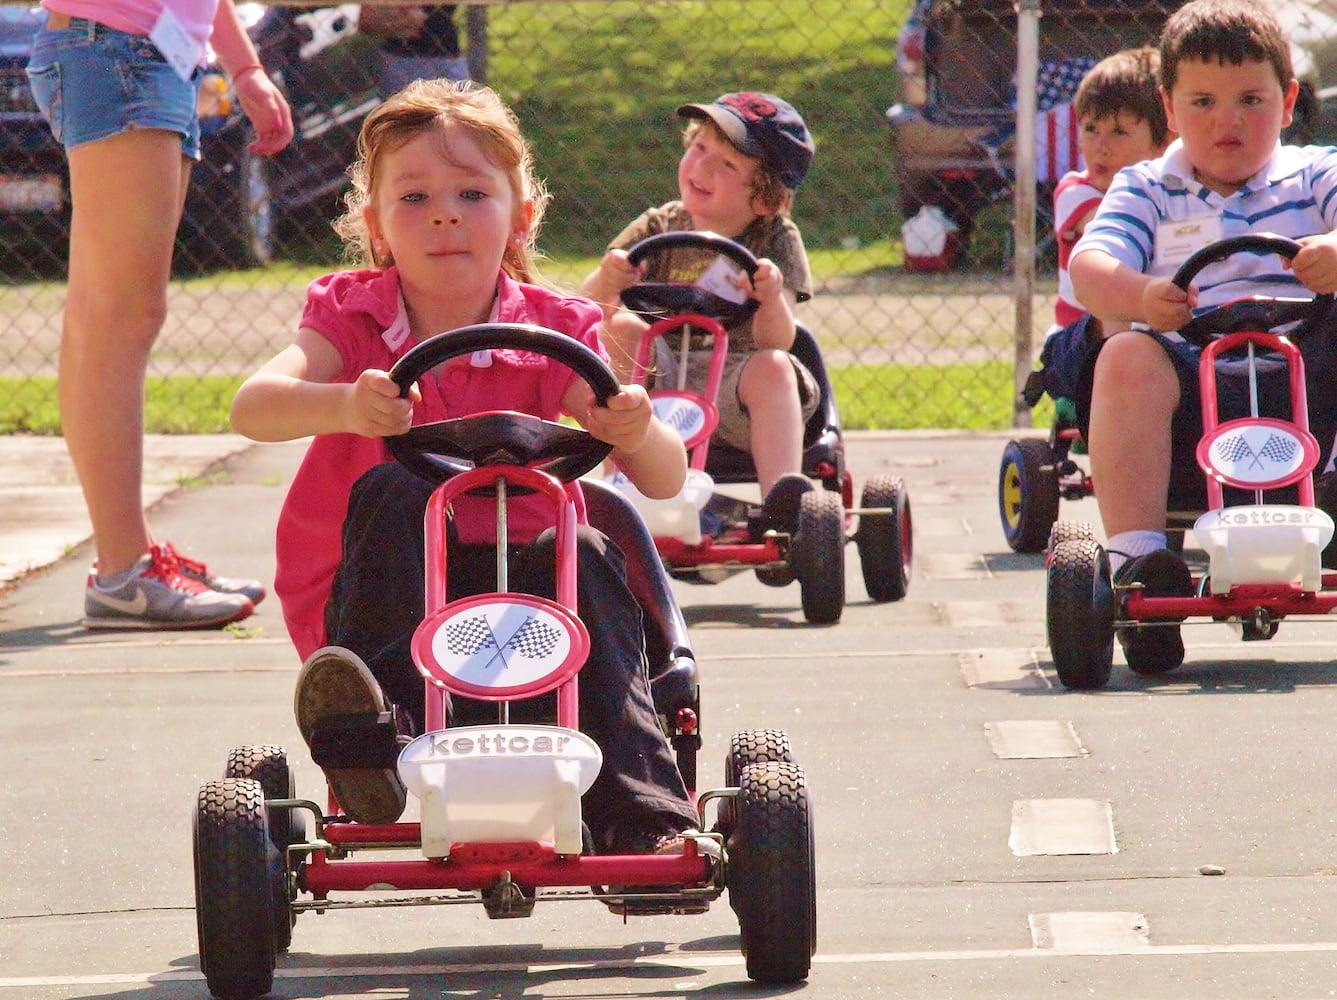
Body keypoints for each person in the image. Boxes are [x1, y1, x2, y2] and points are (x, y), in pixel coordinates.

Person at [230, 80, 700, 853]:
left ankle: (643, 810)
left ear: (520, 218)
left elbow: (663, 478)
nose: (443, 213)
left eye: (471, 192)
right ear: (377, 228)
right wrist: (346, 405)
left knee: (586, 546)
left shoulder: (559, 328)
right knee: (396, 484)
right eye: (413, 197)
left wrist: (633, 425)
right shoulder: (350, 317)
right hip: (373, 586)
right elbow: (254, 404)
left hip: (529, 587)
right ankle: (372, 740)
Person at [1068, 0, 1337, 670]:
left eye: (1251, 98)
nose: (1229, 120)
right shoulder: (1146, 188)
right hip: (1193, 379)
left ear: (1287, 101)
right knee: (1126, 352)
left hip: (1315, 374)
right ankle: (1137, 565)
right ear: (1167, 107)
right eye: (1203, 101)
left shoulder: (1314, 174)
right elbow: (1087, 268)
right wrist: (1138, 296)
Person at [25, 0, 293, 630]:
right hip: (116, 52)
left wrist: (245, 69)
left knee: (104, 318)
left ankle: (130, 560)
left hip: (148, 57)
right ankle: (124, 571)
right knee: (120, 317)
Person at [580, 92, 819, 537]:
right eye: (699, 148)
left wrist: (769, 296)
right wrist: (609, 280)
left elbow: (776, 340)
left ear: (764, 199)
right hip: (657, 384)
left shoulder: (775, 239)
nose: (702, 168)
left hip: (736, 386)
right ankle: (616, 486)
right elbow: (584, 314)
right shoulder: (657, 226)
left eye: (727, 165)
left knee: (773, 366)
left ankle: (783, 510)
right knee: (621, 329)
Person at [1029, 47, 1174, 407]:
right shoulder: (1078, 192)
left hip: (1155, 331)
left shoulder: (1175, 191)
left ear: (1163, 142)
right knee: (1119, 325)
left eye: (1118, 132)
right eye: (1090, 128)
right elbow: (1114, 231)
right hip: (1078, 341)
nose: (1100, 146)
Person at [358, 4, 469, 98]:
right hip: (404, 60)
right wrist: (404, 22)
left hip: (448, 56)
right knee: (408, 117)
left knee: (461, 112)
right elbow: (366, 22)